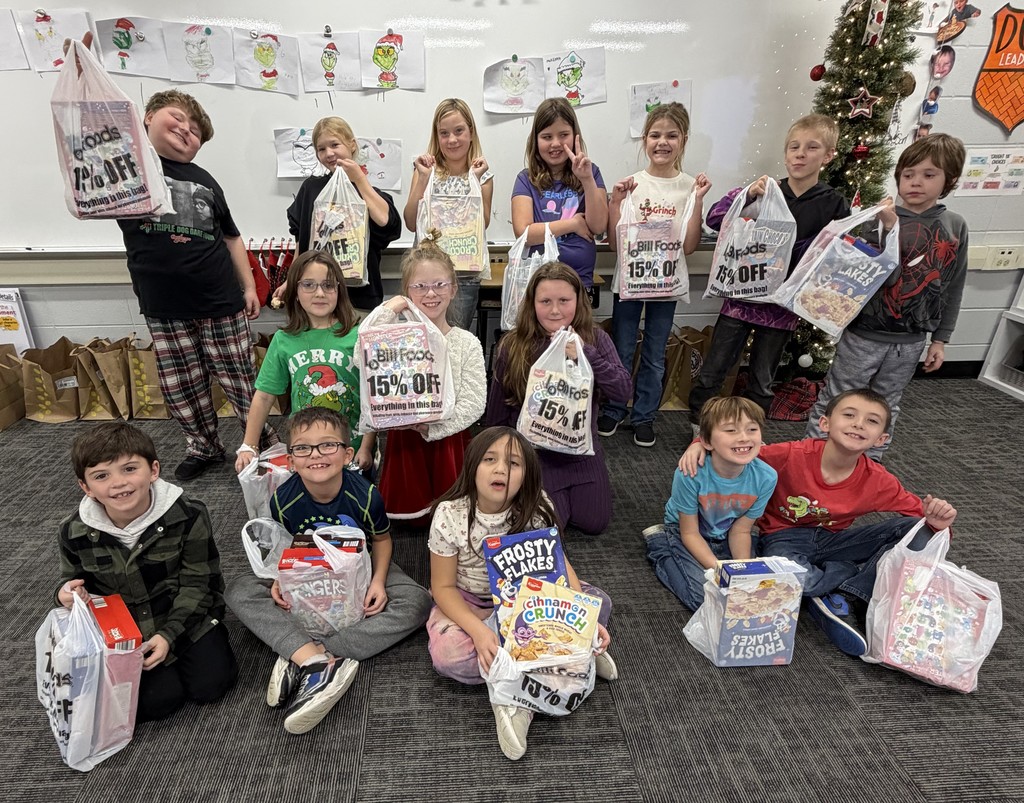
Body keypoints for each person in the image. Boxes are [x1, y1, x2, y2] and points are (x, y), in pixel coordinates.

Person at [679, 388, 957, 657]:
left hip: (834, 540)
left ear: (881, 438)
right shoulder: (792, 454)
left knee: (916, 528)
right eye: (849, 415)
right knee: (795, 582)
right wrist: (696, 445)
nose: (859, 424)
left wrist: (938, 522)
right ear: (824, 423)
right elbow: (738, 447)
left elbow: (923, 520)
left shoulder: (879, 480)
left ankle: (851, 595)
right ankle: (840, 583)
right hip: (784, 536)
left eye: (871, 421)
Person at [225, 408, 431, 735]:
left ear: (348, 454)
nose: (316, 455)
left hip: (362, 561)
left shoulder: (365, 495)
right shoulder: (283, 499)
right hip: (308, 570)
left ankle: (306, 653)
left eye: (328, 446)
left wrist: (377, 581)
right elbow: (284, 546)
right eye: (303, 448)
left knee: (418, 602)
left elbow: (381, 540)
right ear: (290, 460)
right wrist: (282, 578)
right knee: (238, 590)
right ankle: (312, 658)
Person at [428, 426, 616, 760]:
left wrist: (581, 621)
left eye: (513, 463)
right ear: (472, 466)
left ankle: (544, 665)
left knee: (598, 603)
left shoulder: (537, 506)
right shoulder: (449, 516)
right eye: (489, 459)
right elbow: (442, 588)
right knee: (449, 656)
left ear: (526, 474)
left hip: (526, 597)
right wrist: (477, 631)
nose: (501, 469)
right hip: (470, 602)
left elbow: (559, 564)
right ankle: (561, 663)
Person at [116, 89, 273, 481]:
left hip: (220, 299)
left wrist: (250, 287)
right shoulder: (129, 170)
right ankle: (203, 445)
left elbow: (232, 238)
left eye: (197, 131)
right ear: (148, 117)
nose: (187, 130)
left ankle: (260, 440)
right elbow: (87, 147)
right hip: (163, 304)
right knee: (182, 385)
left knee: (240, 377)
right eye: (177, 117)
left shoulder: (205, 181)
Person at [57, 422, 237, 722]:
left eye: (129, 469)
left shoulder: (188, 515)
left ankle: (188, 649)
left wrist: (168, 635)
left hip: (186, 615)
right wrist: (64, 593)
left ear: (153, 470)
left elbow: (199, 583)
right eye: (101, 476)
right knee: (157, 703)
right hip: (126, 632)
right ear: (86, 487)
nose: (118, 484)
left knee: (211, 685)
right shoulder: (73, 531)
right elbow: (71, 580)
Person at [805, 134, 968, 459]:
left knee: (885, 404)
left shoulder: (953, 226)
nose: (916, 183)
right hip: (863, 335)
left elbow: (953, 284)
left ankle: (869, 470)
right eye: (908, 174)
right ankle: (810, 459)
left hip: (909, 342)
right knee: (839, 398)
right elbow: (861, 273)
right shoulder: (874, 220)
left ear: (948, 180)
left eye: (928, 174)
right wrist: (889, 229)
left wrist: (941, 339)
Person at [688, 114, 851, 434]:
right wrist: (747, 195)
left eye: (811, 147)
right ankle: (699, 426)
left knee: (763, 378)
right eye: (794, 147)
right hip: (740, 299)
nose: (800, 154)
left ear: (829, 155)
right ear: (785, 153)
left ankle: (751, 434)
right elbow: (717, 219)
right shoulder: (767, 191)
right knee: (713, 370)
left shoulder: (834, 204)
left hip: (780, 308)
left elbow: (839, 253)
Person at [598, 102, 713, 447]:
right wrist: (616, 203)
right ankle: (615, 408)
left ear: (684, 140)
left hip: (665, 284)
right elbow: (616, 245)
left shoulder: (690, 186)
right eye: (655, 135)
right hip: (629, 283)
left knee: (654, 351)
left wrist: (699, 201)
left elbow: (690, 246)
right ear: (644, 139)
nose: (662, 142)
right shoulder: (632, 184)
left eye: (671, 135)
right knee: (621, 348)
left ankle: (645, 416)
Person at [485, 263, 631, 534]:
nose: (555, 310)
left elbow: (622, 392)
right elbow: (496, 413)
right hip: (537, 454)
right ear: (532, 303)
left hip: (582, 453)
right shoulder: (513, 345)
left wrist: (587, 354)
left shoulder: (596, 339)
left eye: (564, 300)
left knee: (593, 523)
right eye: (545, 301)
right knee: (551, 528)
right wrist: (500, 462)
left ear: (579, 300)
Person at [372, 232, 486, 521]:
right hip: (406, 440)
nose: (430, 294)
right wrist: (388, 310)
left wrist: (431, 429)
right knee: (409, 522)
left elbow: (474, 403)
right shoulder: (395, 337)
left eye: (439, 285)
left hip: (448, 441)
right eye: (420, 286)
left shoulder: (466, 342)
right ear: (407, 292)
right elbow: (364, 347)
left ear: (454, 288)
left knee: (453, 516)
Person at [234, 250, 375, 475]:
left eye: (328, 285)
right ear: (295, 291)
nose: (319, 293)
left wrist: (367, 446)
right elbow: (264, 396)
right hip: (307, 451)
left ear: (339, 290)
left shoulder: (358, 335)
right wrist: (249, 445)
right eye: (308, 284)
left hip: (353, 448)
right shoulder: (284, 340)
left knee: (354, 507)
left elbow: (372, 399)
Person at [644, 397, 777, 611]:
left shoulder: (767, 477)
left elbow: (741, 530)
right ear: (706, 441)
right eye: (731, 431)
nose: (744, 438)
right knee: (705, 599)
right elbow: (689, 533)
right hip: (683, 531)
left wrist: (740, 572)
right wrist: (719, 570)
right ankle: (659, 543)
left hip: (726, 532)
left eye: (752, 429)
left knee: (753, 592)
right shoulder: (690, 473)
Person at [286, 116, 402, 312]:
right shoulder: (311, 189)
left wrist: (359, 179)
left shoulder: (370, 193)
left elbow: (385, 221)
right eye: (321, 149)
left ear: (352, 145)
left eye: (335, 144)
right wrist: (290, 280)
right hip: (317, 296)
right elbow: (301, 240)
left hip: (359, 298)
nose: (329, 153)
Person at [403, 99, 493, 329]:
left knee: (454, 341)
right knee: (423, 342)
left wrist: (474, 180)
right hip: (425, 274)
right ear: (437, 136)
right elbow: (411, 222)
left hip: (464, 275)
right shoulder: (426, 171)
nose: (452, 140)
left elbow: (481, 225)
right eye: (444, 133)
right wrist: (423, 179)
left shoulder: (482, 176)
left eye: (459, 131)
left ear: (471, 132)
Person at [511, 98, 608, 289]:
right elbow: (524, 233)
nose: (555, 144)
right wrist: (573, 224)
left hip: (579, 283)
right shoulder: (526, 179)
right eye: (547, 137)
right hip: (537, 284)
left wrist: (587, 180)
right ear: (536, 140)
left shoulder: (591, 172)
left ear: (575, 136)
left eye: (563, 135)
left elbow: (598, 226)